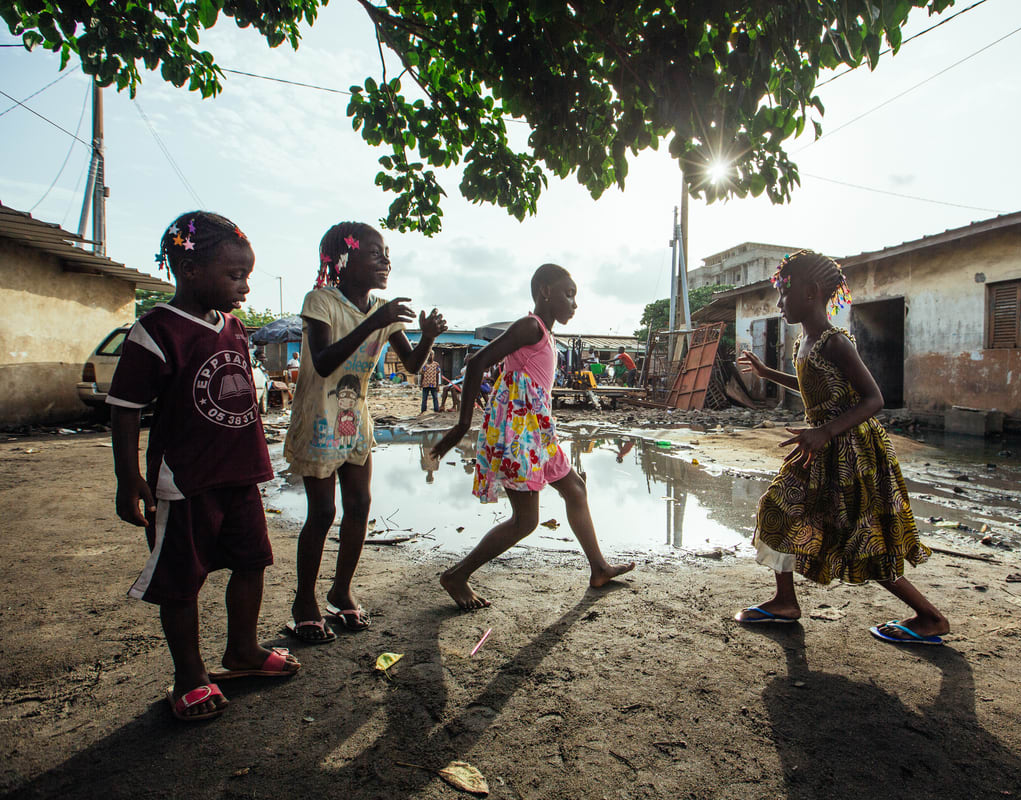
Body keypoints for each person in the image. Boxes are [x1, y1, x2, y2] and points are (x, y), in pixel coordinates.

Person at [109, 211, 300, 722]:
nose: (244, 285)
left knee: (253, 560)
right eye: (235, 275)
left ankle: (242, 651)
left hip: (239, 474)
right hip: (184, 481)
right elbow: (125, 407)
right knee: (181, 578)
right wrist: (128, 477)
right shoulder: (156, 331)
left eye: (248, 275)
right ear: (189, 269)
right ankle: (189, 677)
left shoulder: (235, 328)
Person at [735, 250, 949, 645]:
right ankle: (785, 602)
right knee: (776, 509)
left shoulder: (835, 342)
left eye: (786, 293)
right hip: (819, 447)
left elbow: (874, 399)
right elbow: (815, 386)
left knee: (860, 538)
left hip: (850, 451)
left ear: (812, 292)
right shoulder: (806, 340)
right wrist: (768, 374)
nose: (779, 303)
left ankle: (930, 617)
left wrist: (826, 432)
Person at [431, 263, 635, 609]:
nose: (574, 303)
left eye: (575, 297)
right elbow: (478, 361)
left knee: (575, 489)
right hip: (519, 434)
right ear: (545, 291)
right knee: (526, 520)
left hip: (537, 432)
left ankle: (598, 568)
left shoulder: (545, 333)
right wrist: (462, 425)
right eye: (569, 294)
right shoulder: (530, 326)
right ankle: (457, 575)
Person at [284, 221, 446, 642]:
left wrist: (426, 337)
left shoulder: (381, 311)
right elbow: (322, 361)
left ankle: (341, 590)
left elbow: (411, 367)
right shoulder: (321, 301)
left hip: (354, 422)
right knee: (322, 513)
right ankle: (305, 600)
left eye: (387, 253)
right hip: (319, 419)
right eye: (375, 253)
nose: (386, 260)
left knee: (359, 505)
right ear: (343, 260)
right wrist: (377, 323)